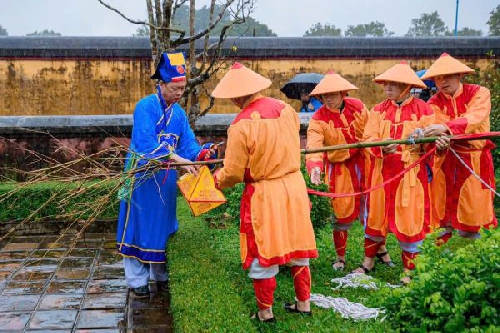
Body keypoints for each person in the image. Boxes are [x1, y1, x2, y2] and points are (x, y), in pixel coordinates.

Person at [212, 62, 318, 322]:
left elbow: (234, 172)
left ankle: (265, 312)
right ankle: (303, 304)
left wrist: (216, 179)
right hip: (294, 186)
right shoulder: (287, 110)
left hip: (265, 192)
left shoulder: (241, 125)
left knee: (264, 248)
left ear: (238, 95)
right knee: (298, 245)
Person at [116, 51, 215, 298]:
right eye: (175, 88)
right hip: (142, 178)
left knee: (162, 227)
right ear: (161, 84)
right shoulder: (145, 107)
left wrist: (202, 154)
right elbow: (145, 143)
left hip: (166, 181)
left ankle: (161, 275)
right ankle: (136, 279)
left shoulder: (179, 114)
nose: (179, 93)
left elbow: (188, 146)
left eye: (182, 88)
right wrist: (176, 158)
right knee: (140, 225)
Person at [352, 62, 439, 284]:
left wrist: (425, 141)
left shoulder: (424, 109)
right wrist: (380, 147)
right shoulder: (378, 110)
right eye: (386, 83)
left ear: (407, 86)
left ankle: (409, 269)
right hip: (381, 173)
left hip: (410, 175)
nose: (388, 88)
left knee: (410, 219)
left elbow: (431, 143)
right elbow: (368, 138)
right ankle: (368, 261)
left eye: (394, 84)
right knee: (376, 216)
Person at [305, 71, 392, 272]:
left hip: (367, 162)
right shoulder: (318, 119)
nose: (328, 98)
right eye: (324, 95)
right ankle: (340, 257)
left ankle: (381, 250)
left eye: (333, 94)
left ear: (343, 93)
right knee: (341, 214)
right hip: (340, 170)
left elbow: (372, 131)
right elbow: (313, 147)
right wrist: (315, 167)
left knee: (372, 208)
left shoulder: (358, 106)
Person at [421, 53, 498, 243]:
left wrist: (447, 129)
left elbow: (475, 117)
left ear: (459, 75)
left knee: (475, 209)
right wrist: (441, 137)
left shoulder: (479, 92)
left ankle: (478, 257)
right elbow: (435, 125)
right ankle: (438, 259)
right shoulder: (433, 103)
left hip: (475, 160)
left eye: (447, 76)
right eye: (438, 78)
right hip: (446, 158)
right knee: (441, 207)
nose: (443, 81)